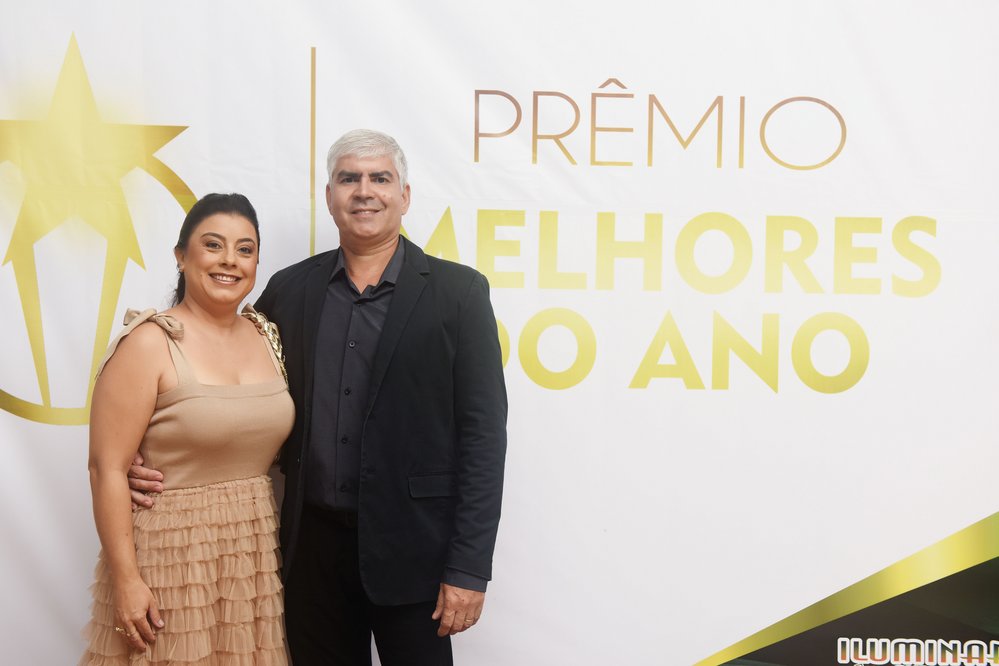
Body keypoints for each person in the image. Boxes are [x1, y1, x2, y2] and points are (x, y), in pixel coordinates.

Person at [129, 129, 508, 665]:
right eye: (348, 179)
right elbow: (227, 381)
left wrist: (468, 567)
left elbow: (483, 439)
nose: (364, 191)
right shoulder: (290, 290)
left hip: (416, 555)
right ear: (330, 197)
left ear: (404, 195)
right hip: (310, 552)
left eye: (380, 178)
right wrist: (150, 455)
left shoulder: (459, 294)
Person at [81, 193, 294, 665]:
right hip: (171, 556)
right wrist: (127, 581)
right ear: (181, 256)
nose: (229, 260)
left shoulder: (266, 335)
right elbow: (106, 468)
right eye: (213, 245)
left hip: (253, 556)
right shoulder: (148, 342)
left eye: (245, 249)